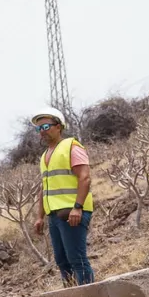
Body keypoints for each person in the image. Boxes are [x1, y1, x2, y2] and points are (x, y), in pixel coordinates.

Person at [30, 108, 95, 285]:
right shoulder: (44, 156)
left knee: (77, 260)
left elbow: (85, 177)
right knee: (62, 261)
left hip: (72, 213)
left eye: (45, 126)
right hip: (54, 216)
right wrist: (39, 216)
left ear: (58, 126)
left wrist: (78, 207)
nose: (42, 131)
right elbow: (45, 188)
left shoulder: (72, 146)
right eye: (38, 128)